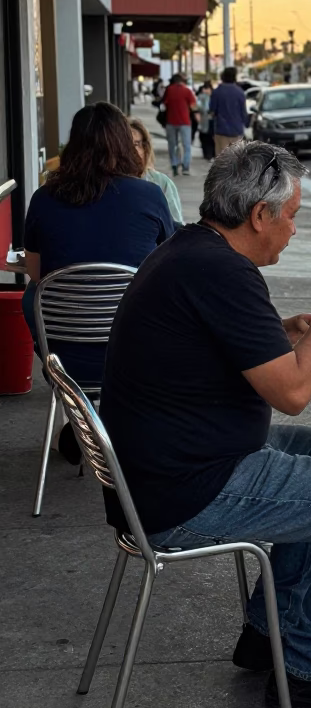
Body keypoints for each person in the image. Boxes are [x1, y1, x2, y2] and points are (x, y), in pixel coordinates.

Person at [99, 142, 311, 708]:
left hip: (158, 469)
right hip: (184, 490)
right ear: (259, 215)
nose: (292, 230)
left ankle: (268, 631)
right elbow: (293, 394)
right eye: (291, 216)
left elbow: (228, 349)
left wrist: (283, 330)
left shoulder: (190, 252)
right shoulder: (222, 272)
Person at [22, 103, 174, 462]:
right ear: (124, 144)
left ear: (72, 145)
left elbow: (33, 270)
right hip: (136, 358)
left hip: (67, 360)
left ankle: (81, 420)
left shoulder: (44, 198)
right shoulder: (148, 195)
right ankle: (119, 427)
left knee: (32, 295)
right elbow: (170, 266)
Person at [129, 118, 183, 223]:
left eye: (136, 144)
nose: (132, 151)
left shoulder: (161, 182)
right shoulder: (108, 185)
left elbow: (176, 227)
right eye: (126, 145)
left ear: (145, 148)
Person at [161, 73, 199, 177]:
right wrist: (197, 118)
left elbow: (164, 104)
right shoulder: (187, 91)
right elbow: (193, 106)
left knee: (172, 145)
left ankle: (174, 164)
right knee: (186, 145)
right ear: (182, 81)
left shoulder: (169, 90)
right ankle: (185, 167)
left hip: (171, 122)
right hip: (185, 122)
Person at [209, 66, 249, 154]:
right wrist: (246, 124)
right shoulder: (240, 92)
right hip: (237, 130)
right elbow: (243, 113)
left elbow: (212, 112)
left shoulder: (217, 92)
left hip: (221, 130)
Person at [197, 80, 216, 161]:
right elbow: (199, 107)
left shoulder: (215, 96)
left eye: (207, 89)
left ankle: (212, 154)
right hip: (204, 120)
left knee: (212, 138)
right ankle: (207, 154)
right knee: (205, 137)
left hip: (213, 120)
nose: (205, 91)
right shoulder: (201, 97)